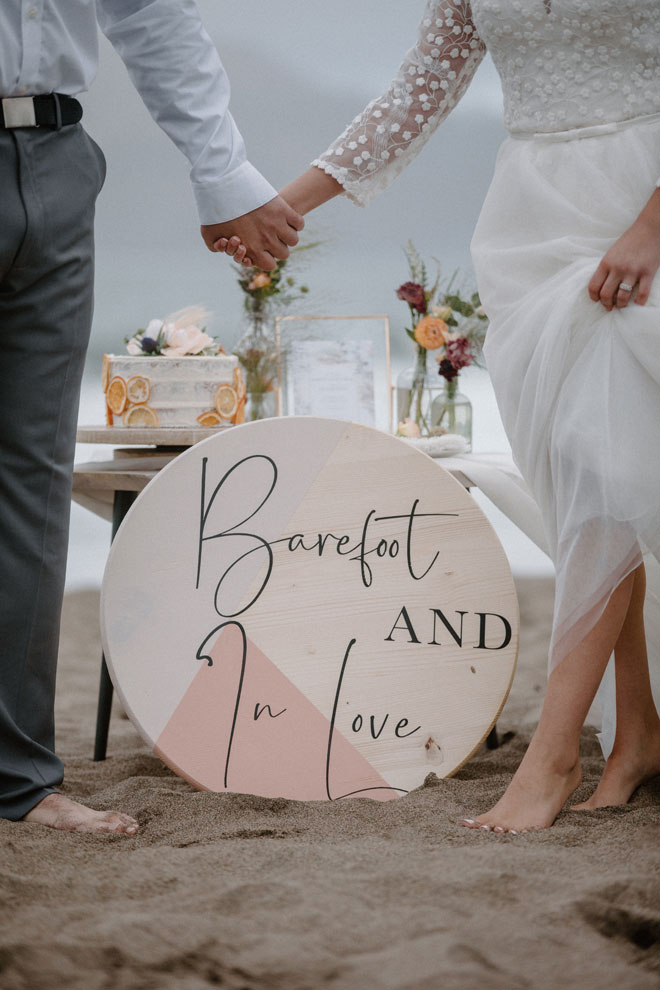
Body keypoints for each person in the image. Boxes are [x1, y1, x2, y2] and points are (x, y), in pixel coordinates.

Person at [216, 0, 660, 832]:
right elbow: (411, 99)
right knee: (586, 467)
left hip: (643, 200)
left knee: (606, 461)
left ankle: (554, 756)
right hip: (531, 218)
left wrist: (652, 224)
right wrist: (285, 205)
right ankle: (638, 736)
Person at [0, 0, 303, 836]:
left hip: (55, 158)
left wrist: (222, 170)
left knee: (32, 481)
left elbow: (146, 9)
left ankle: (16, 781)